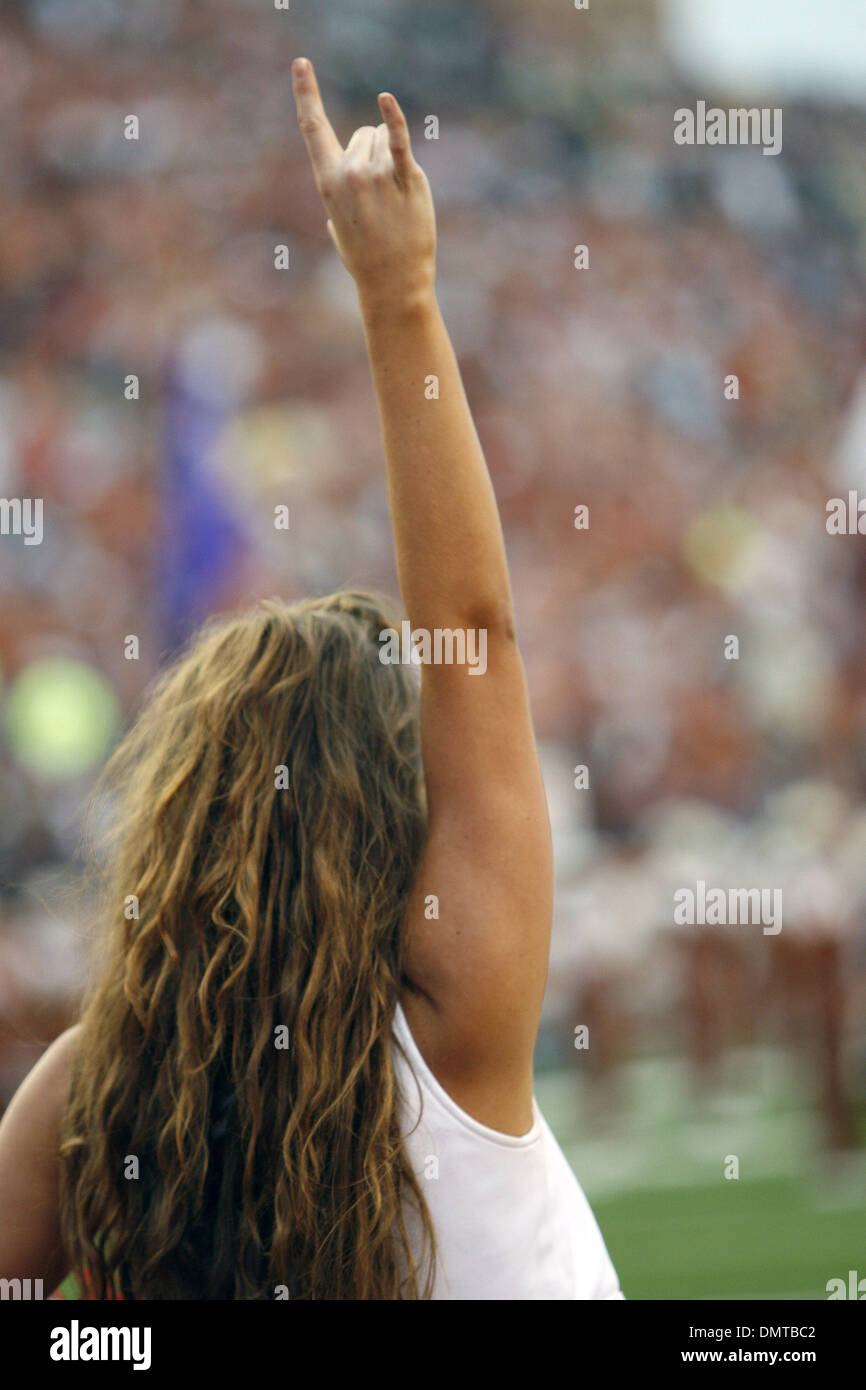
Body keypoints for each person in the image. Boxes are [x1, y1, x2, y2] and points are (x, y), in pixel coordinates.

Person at [0, 58, 623, 1300]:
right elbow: (474, 632)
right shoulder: (452, 1029)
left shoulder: (93, 1087)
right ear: (396, 804)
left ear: (184, 814)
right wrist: (399, 292)